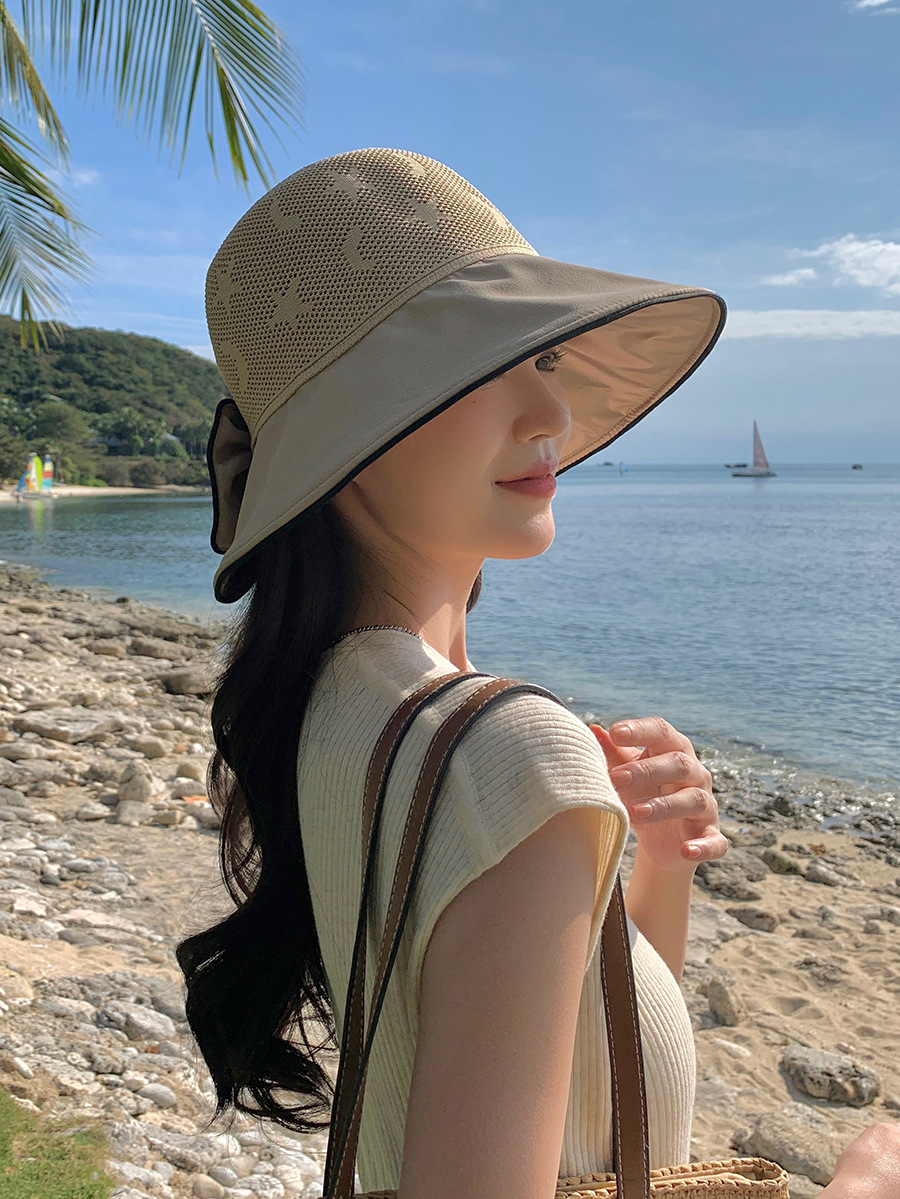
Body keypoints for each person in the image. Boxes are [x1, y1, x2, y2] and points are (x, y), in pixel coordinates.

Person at [177, 148, 900, 1199]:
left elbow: (587, 1087)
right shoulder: (501, 750)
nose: (551, 416)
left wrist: (653, 864)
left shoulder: (343, 707)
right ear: (347, 431)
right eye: (479, 367)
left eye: (546, 360)